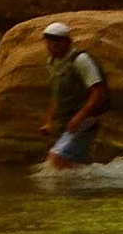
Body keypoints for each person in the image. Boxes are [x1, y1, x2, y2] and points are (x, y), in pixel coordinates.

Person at [41, 22, 110, 166]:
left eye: (56, 42)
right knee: (74, 162)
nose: (51, 46)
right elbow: (56, 94)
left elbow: (97, 91)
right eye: (48, 42)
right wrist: (49, 121)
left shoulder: (81, 60)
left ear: (65, 42)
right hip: (68, 120)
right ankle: (92, 182)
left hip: (86, 119)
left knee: (56, 158)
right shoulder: (52, 62)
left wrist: (80, 117)